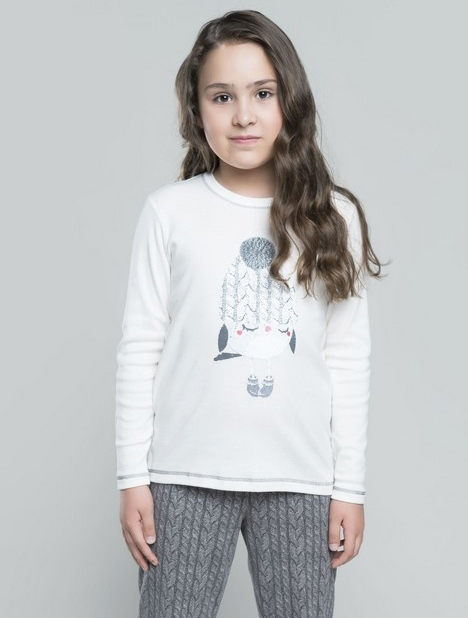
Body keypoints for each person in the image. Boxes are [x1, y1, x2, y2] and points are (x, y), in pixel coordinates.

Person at [115, 9, 384, 618]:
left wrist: (349, 486)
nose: (243, 115)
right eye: (222, 97)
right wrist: (132, 477)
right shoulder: (169, 213)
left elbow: (348, 358)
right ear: (196, 110)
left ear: (291, 99)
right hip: (183, 476)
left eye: (263, 93)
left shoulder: (332, 217)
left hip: (300, 479)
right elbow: (139, 349)